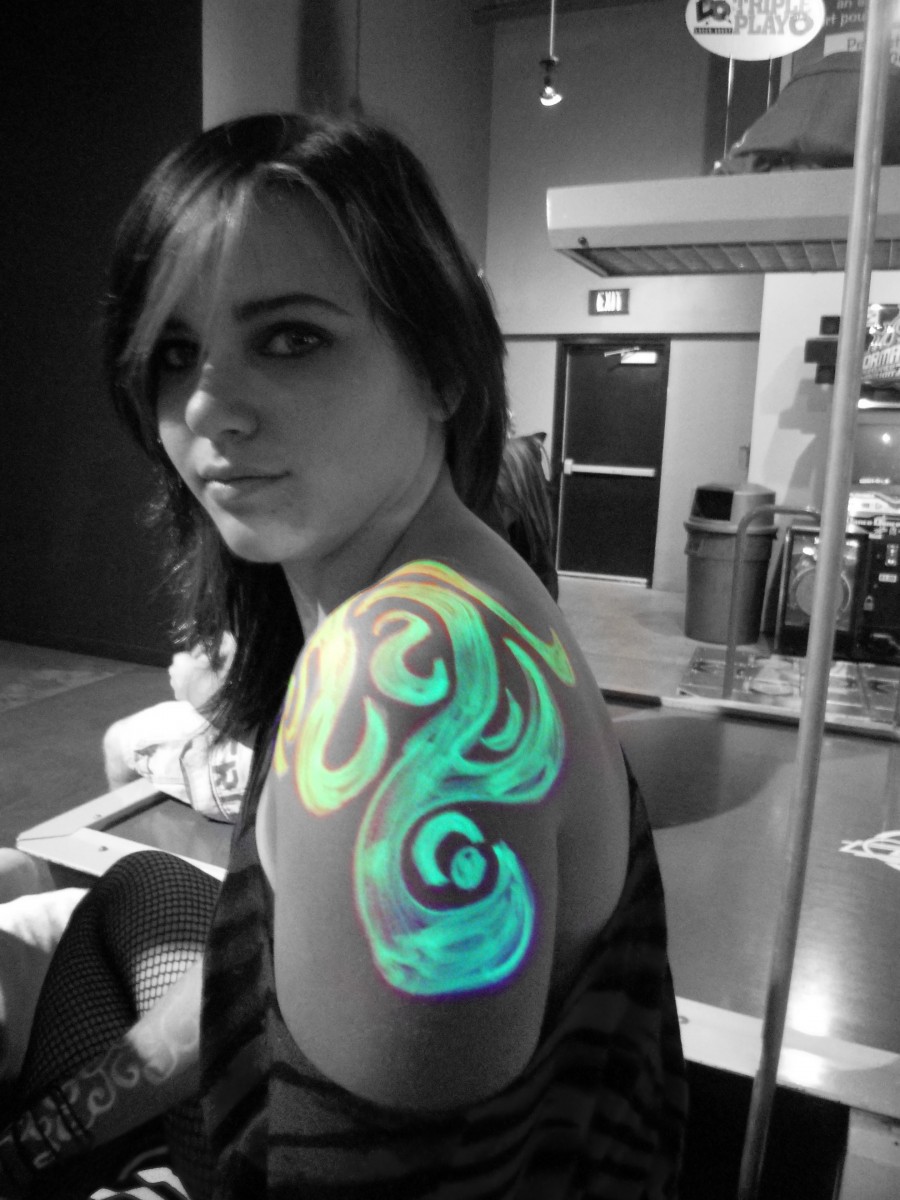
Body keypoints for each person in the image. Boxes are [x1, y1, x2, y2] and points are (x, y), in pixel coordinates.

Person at [0, 113, 687, 1199]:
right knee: (133, 888)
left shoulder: (409, 682)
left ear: (442, 365)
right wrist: (40, 1140)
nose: (207, 407)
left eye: (291, 338)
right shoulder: (446, 584)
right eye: (175, 351)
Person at [102, 633, 251, 822]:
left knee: (117, 739)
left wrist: (191, 681)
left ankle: (125, 824)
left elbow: (242, 708)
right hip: (278, 764)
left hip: (253, 777)